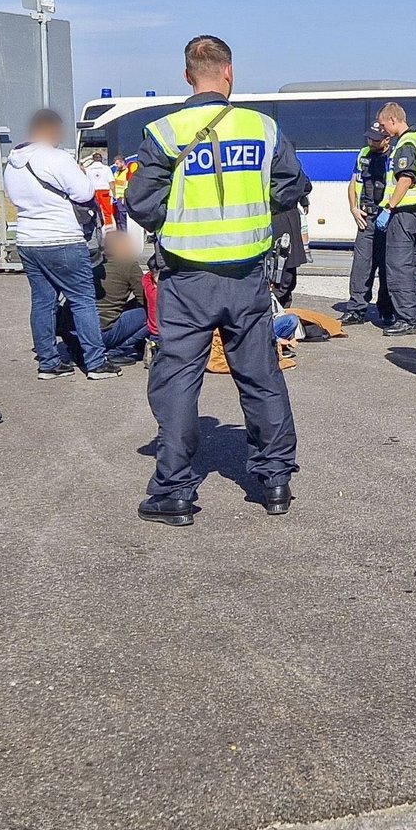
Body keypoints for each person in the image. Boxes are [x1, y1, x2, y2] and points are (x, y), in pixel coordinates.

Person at [126, 34, 310, 526]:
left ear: (188, 75)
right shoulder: (262, 128)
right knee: (261, 377)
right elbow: (294, 185)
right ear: (230, 72)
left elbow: (140, 203)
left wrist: (181, 217)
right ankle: (274, 482)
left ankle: (174, 492)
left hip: (186, 280)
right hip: (248, 276)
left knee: (177, 381)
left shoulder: (165, 131)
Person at [4, 108, 117, 381]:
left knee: (43, 302)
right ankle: (96, 363)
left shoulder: (12, 163)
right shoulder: (56, 158)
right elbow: (84, 192)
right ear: (51, 129)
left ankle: (48, 362)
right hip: (63, 238)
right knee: (82, 300)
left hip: (29, 240)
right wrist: (81, 173)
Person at [374, 101, 416, 336]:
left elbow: (405, 179)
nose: (383, 131)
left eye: (383, 125)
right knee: (414, 266)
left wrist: (389, 207)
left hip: (403, 212)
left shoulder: (406, 144)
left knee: (398, 267)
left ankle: (406, 318)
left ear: (393, 120)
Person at [340, 123, 396, 324]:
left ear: (387, 140)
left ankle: (386, 310)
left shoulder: (394, 156)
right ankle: (356, 308)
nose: (371, 142)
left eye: (376, 139)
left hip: (387, 218)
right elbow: (353, 183)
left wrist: (390, 211)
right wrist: (354, 208)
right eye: (369, 138)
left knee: (387, 266)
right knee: (361, 266)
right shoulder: (364, 154)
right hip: (366, 217)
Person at [96, 228, 150, 364]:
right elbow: (146, 298)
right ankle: (119, 349)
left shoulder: (95, 264)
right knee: (153, 313)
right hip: (105, 332)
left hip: (83, 332)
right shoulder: (128, 265)